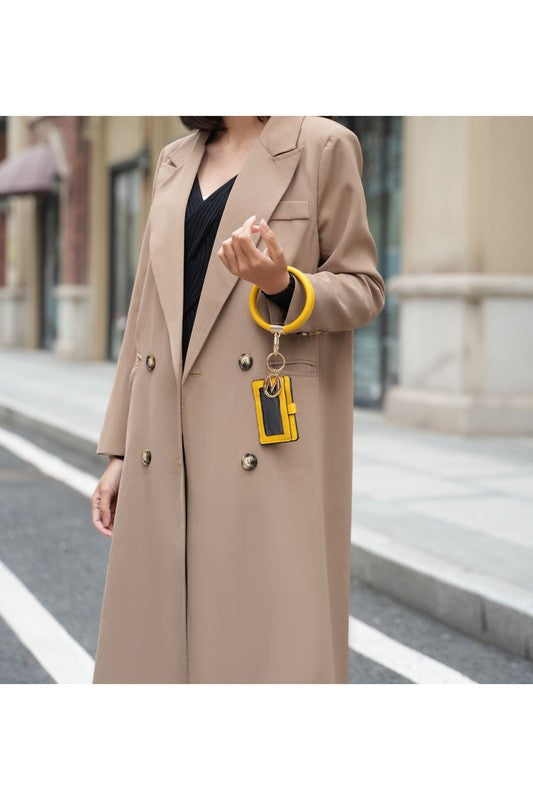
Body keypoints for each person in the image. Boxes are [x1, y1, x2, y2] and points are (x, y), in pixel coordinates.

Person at [91, 116, 386, 683]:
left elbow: (363, 287)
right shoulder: (175, 158)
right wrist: (121, 450)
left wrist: (283, 283)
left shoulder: (322, 145)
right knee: (157, 644)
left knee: (259, 643)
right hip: (164, 432)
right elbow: (146, 309)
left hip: (259, 432)